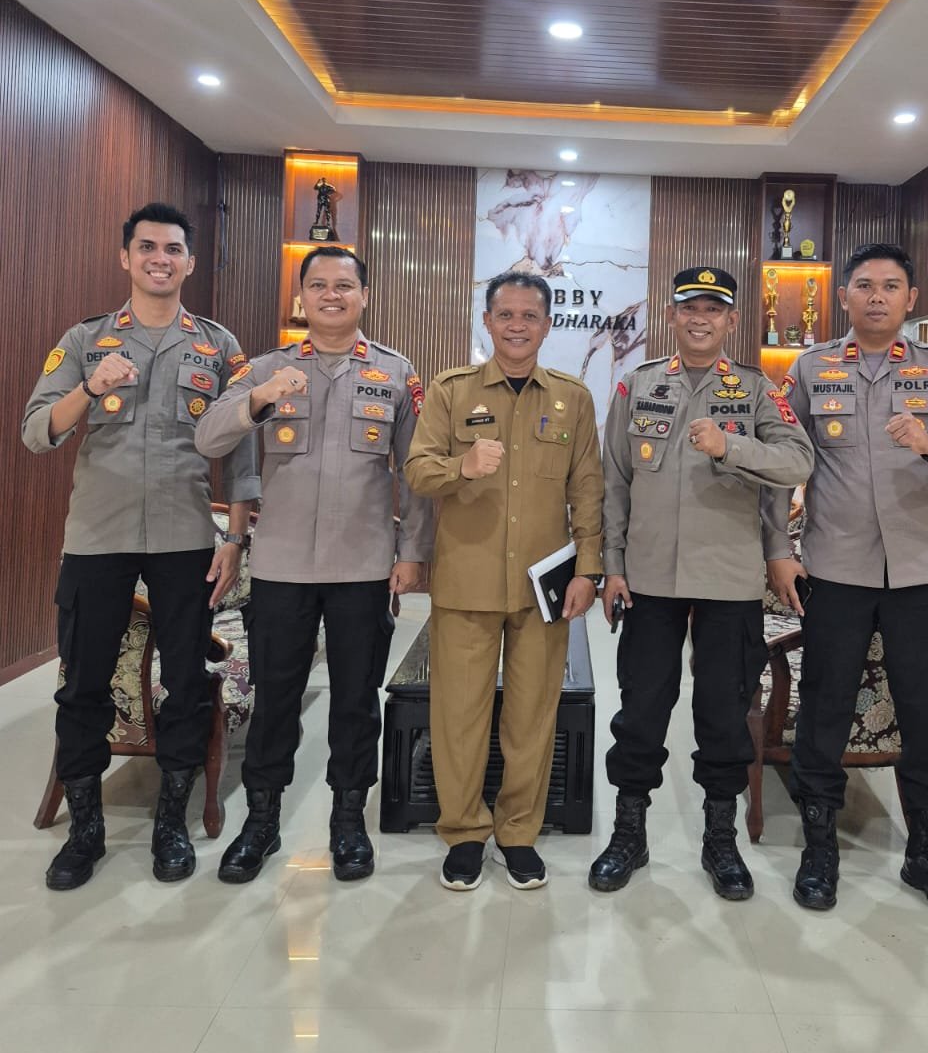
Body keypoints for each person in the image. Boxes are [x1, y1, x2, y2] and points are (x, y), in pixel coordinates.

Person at [22, 202, 259, 890]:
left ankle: (170, 823)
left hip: (185, 537)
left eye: (173, 248)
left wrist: (235, 538)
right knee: (83, 685)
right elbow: (38, 431)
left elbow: (242, 454)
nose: (161, 258)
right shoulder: (86, 339)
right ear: (125, 257)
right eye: (148, 247)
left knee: (187, 682)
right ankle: (86, 830)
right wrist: (89, 389)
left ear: (190, 262)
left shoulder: (218, 345)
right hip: (98, 538)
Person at [196, 246, 432, 883]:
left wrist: (413, 553)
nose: (332, 295)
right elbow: (209, 437)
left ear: (364, 296)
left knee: (356, 701)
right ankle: (261, 821)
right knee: (276, 699)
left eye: (344, 285)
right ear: (301, 297)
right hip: (282, 568)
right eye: (319, 285)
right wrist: (258, 398)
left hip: (363, 566)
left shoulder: (394, 372)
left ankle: (347, 821)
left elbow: (416, 475)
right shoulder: (266, 368)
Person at [776, 242, 928, 918]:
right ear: (842, 296)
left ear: (910, 299)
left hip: (922, 573)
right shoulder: (811, 368)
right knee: (824, 706)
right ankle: (820, 846)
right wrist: (777, 549)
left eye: (890, 286)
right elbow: (780, 455)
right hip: (836, 569)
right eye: (864, 285)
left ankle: (927, 852)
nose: (876, 296)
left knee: (926, 711)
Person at [590, 266, 814, 901]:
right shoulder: (637, 385)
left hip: (727, 578)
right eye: (690, 307)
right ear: (672, 315)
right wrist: (613, 564)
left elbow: (798, 461)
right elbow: (614, 482)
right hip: (649, 578)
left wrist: (729, 447)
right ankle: (629, 833)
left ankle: (721, 839)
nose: (700, 319)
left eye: (713, 310)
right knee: (640, 710)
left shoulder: (755, 389)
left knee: (722, 713)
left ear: (731, 321)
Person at [404, 271, 603, 893]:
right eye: (506, 315)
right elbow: (416, 471)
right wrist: (462, 466)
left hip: (544, 588)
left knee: (531, 717)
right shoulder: (451, 391)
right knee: (458, 716)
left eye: (530, 315)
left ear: (547, 325)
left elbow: (588, 491)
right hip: (466, 579)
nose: (517, 326)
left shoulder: (573, 398)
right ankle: (464, 833)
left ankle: (518, 833)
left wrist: (589, 569)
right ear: (487, 322)